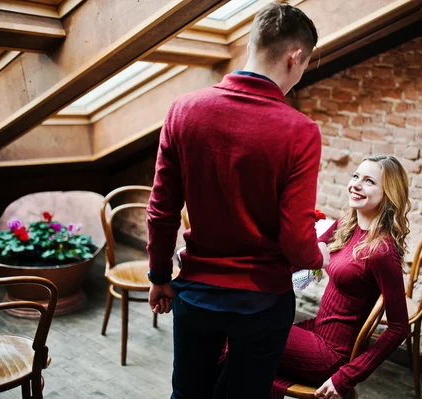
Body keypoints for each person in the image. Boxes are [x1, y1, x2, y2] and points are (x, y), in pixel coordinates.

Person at [145, 3, 330, 399]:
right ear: (295, 57)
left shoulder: (183, 110)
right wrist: (319, 256)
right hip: (262, 302)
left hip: (195, 293)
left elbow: (161, 210)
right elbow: (295, 239)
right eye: (304, 66)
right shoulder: (300, 132)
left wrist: (159, 276)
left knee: (188, 395)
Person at [271, 155, 411, 399]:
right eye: (356, 176)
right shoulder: (347, 223)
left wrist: (346, 376)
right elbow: (305, 257)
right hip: (316, 330)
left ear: (388, 193)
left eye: (369, 181)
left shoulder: (381, 250)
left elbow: (399, 328)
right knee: (243, 333)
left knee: (246, 333)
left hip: (332, 355)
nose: (355, 184)